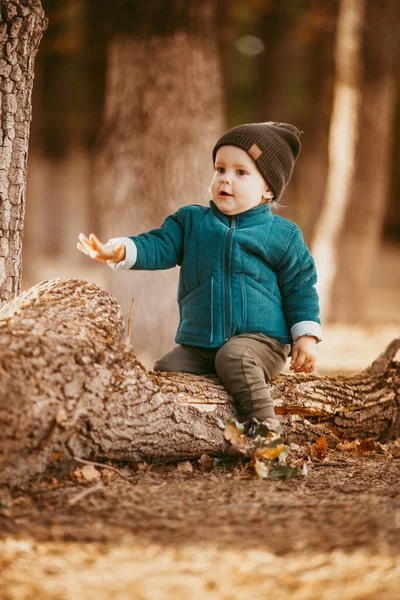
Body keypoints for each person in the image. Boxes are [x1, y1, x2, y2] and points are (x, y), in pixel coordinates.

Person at [78, 122, 321, 429]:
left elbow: (300, 286)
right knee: (167, 369)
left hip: (263, 342)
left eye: (241, 173)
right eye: (220, 169)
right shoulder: (193, 222)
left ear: (268, 189)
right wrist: (121, 250)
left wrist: (306, 337)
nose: (226, 179)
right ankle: (181, 432)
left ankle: (265, 432)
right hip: (202, 343)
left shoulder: (282, 234)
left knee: (234, 357)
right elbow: (160, 244)